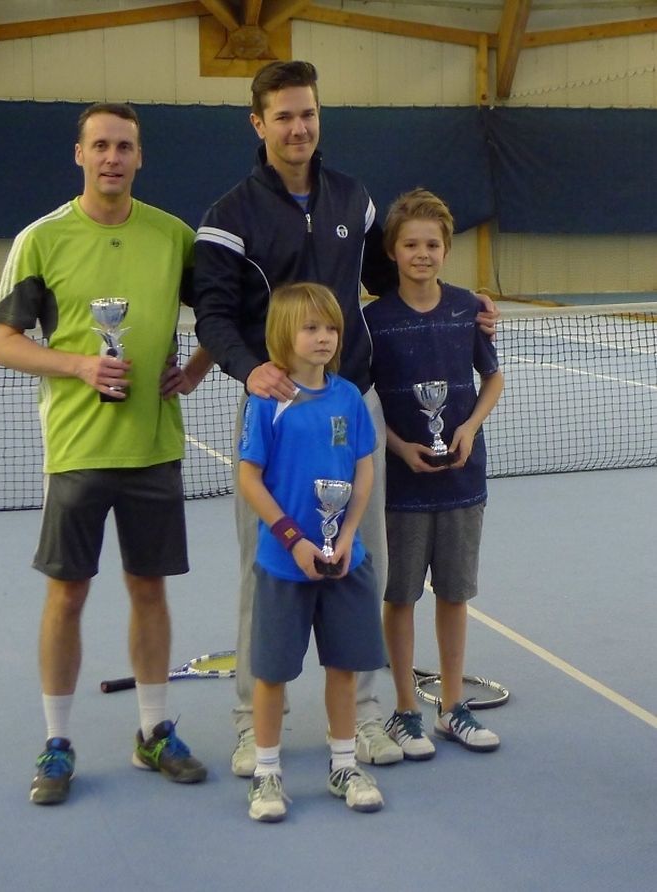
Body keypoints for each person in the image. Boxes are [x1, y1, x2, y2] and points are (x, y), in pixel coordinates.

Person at [193, 60, 498, 775]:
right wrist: (250, 369)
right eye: (284, 116)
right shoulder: (229, 216)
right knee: (266, 569)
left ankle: (362, 718)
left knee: (361, 564)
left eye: (308, 113)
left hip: (353, 401)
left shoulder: (354, 198)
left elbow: (392, 279)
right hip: (275, 408)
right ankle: (253, 728)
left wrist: (464, 304)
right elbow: (212, 315)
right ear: (259, 124)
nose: (298, 127)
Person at [0, 102, 211, 805]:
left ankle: (152, 732)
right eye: (101, 145)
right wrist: (80, 365)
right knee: (68, 594)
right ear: (79, 154)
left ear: (140, 157)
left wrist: (195, 369)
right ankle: (57, 742)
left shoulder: (173, 237)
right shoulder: (42, 240)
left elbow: (225, 313)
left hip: (153, 447)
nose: (113, 157)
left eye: (125, 147)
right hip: (77, 451)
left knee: (149, 590)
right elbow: (1, 341)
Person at [364, 188, 504, 758]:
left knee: (453, 595)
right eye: (410, 244)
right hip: (400, 487)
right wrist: (398, 448)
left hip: (462, 482)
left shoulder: (468, 308)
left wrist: (467, 429)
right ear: (392, 252)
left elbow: (492, 378)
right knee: (399, 597)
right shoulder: (373, 321)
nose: (422, 254)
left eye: (432, 244)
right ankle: (404, 710)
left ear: (446, 249)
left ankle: (451, 707)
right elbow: (364, 398)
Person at [239, 281, 386, 821]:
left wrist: (345, 539)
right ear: (284, 334)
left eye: (330, 328)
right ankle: (267, 772)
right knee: (272, 674)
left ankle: (344, 764)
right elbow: (250, 479)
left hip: (345, 561)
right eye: (310, 328)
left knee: (343, 667)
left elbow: (364, 470)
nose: (323, 337)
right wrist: (294, 539)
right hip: (284, 564)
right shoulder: (267, 402)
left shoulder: (349, 397)